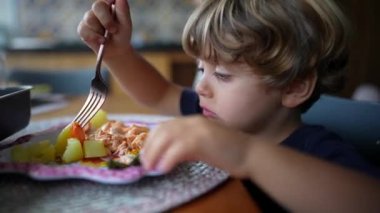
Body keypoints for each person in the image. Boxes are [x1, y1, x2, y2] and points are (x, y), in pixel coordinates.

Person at [78, 0, 380, 212]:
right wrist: (119, 54)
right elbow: (158, 95)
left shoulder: (319, 151)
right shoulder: (213, 117)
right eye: (200, 69)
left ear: (294, 87)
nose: (200, 88)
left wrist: (246, 154)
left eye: (222, 75)